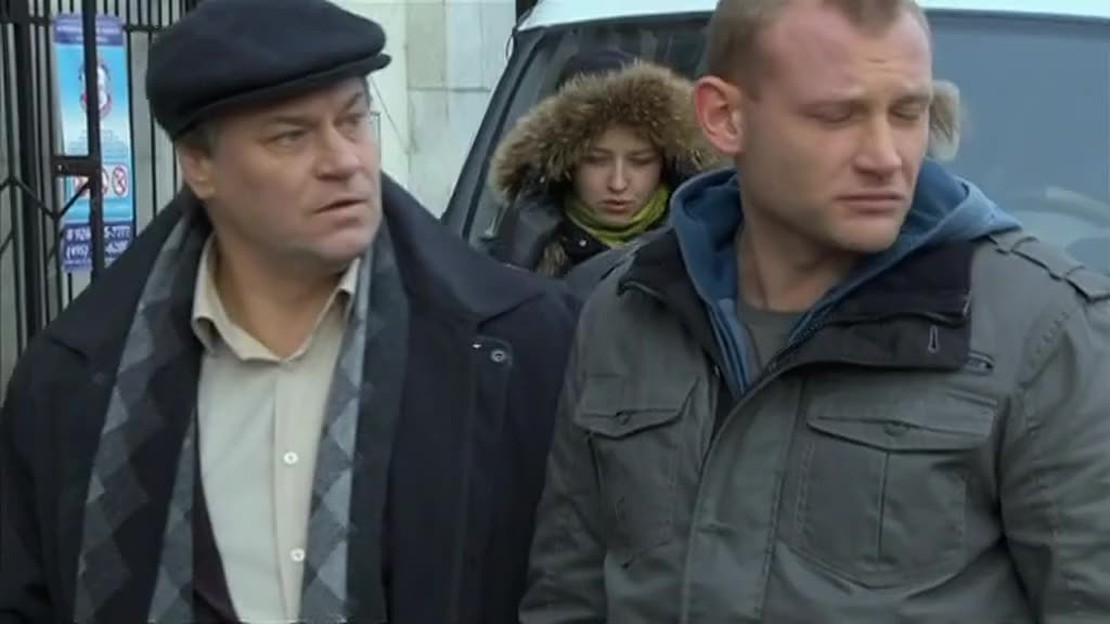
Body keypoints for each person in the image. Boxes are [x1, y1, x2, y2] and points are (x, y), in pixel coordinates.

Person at [520, 0, 1110, 621]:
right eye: (837, 116)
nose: (886, 157)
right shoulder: (625, 310)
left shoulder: (1046, 330)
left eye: (908, 113)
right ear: (723, 117)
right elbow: (567, 594)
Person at [0, 1, 577, 623]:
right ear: (199, 165)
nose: (344, 161)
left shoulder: (521, 343)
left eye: (353, 121)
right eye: (290, 136)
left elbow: (581, 585)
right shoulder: (76, 381)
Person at [486, 49, 717, 295]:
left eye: (641, 161)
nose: (618, 183)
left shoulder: (709, 245)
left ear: (667, 161)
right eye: (596, 161)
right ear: (566, 162)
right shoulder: (519, 249)